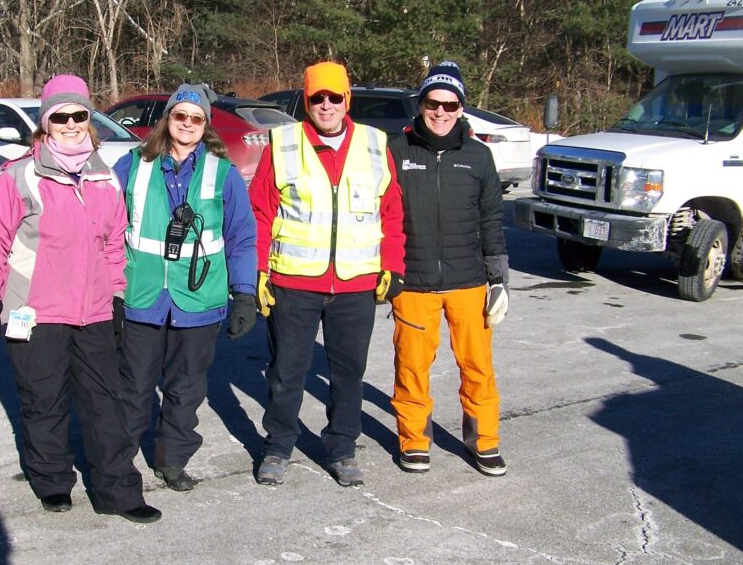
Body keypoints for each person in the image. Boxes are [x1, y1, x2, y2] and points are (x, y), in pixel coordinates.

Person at [0, 74, 161, 524]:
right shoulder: (19, 176)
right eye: (62, 117)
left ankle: (117, 490)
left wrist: (116, 296)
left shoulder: (103, 177)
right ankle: (52, 480)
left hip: (92, 310)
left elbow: (115, 244)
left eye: (80, 115)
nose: (72, 124)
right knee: (43, 402)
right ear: (45, 124)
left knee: (104, 404)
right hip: (32, 312)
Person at [249, 61, 405, 487]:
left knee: (348, 374)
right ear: (306, 100)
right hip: (294, 283)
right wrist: (257, 272)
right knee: (286, 372)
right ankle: (278, 447)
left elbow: (391, 212)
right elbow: (260, 213)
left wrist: (393, 265)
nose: (326, 105)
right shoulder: (282, 144)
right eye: (317, 97)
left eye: (335, 96)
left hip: (356, 285)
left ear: (347, 100)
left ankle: (342, 448)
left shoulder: (375, 145)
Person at [114, 83, 257, 492]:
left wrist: (244, 292)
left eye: (196, 119)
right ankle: (118, 463)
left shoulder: (222, 172)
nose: (187, 124)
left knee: (186, 388)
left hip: (199, 298)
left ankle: (172, 460)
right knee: (134, 387)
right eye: (180, 116)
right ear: (168, 119)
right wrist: (106, 291)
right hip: (142, 296)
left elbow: (241, 236)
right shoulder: (133, 165)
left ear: (205, 125)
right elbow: (105, 229)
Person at [386, 60, 510, 477]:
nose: (441, 112)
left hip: (468, 282)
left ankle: (485, 441)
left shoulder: (478, 156)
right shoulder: (397, 151)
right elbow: (380, 213)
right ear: (420, 105)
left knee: (477, 368)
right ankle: (414, 440)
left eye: (450, 105)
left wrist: (499, 281)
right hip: (414, 283)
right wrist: (386, 270)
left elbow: (491, 218)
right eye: (432, 103)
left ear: (462, 109)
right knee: (411, 368)